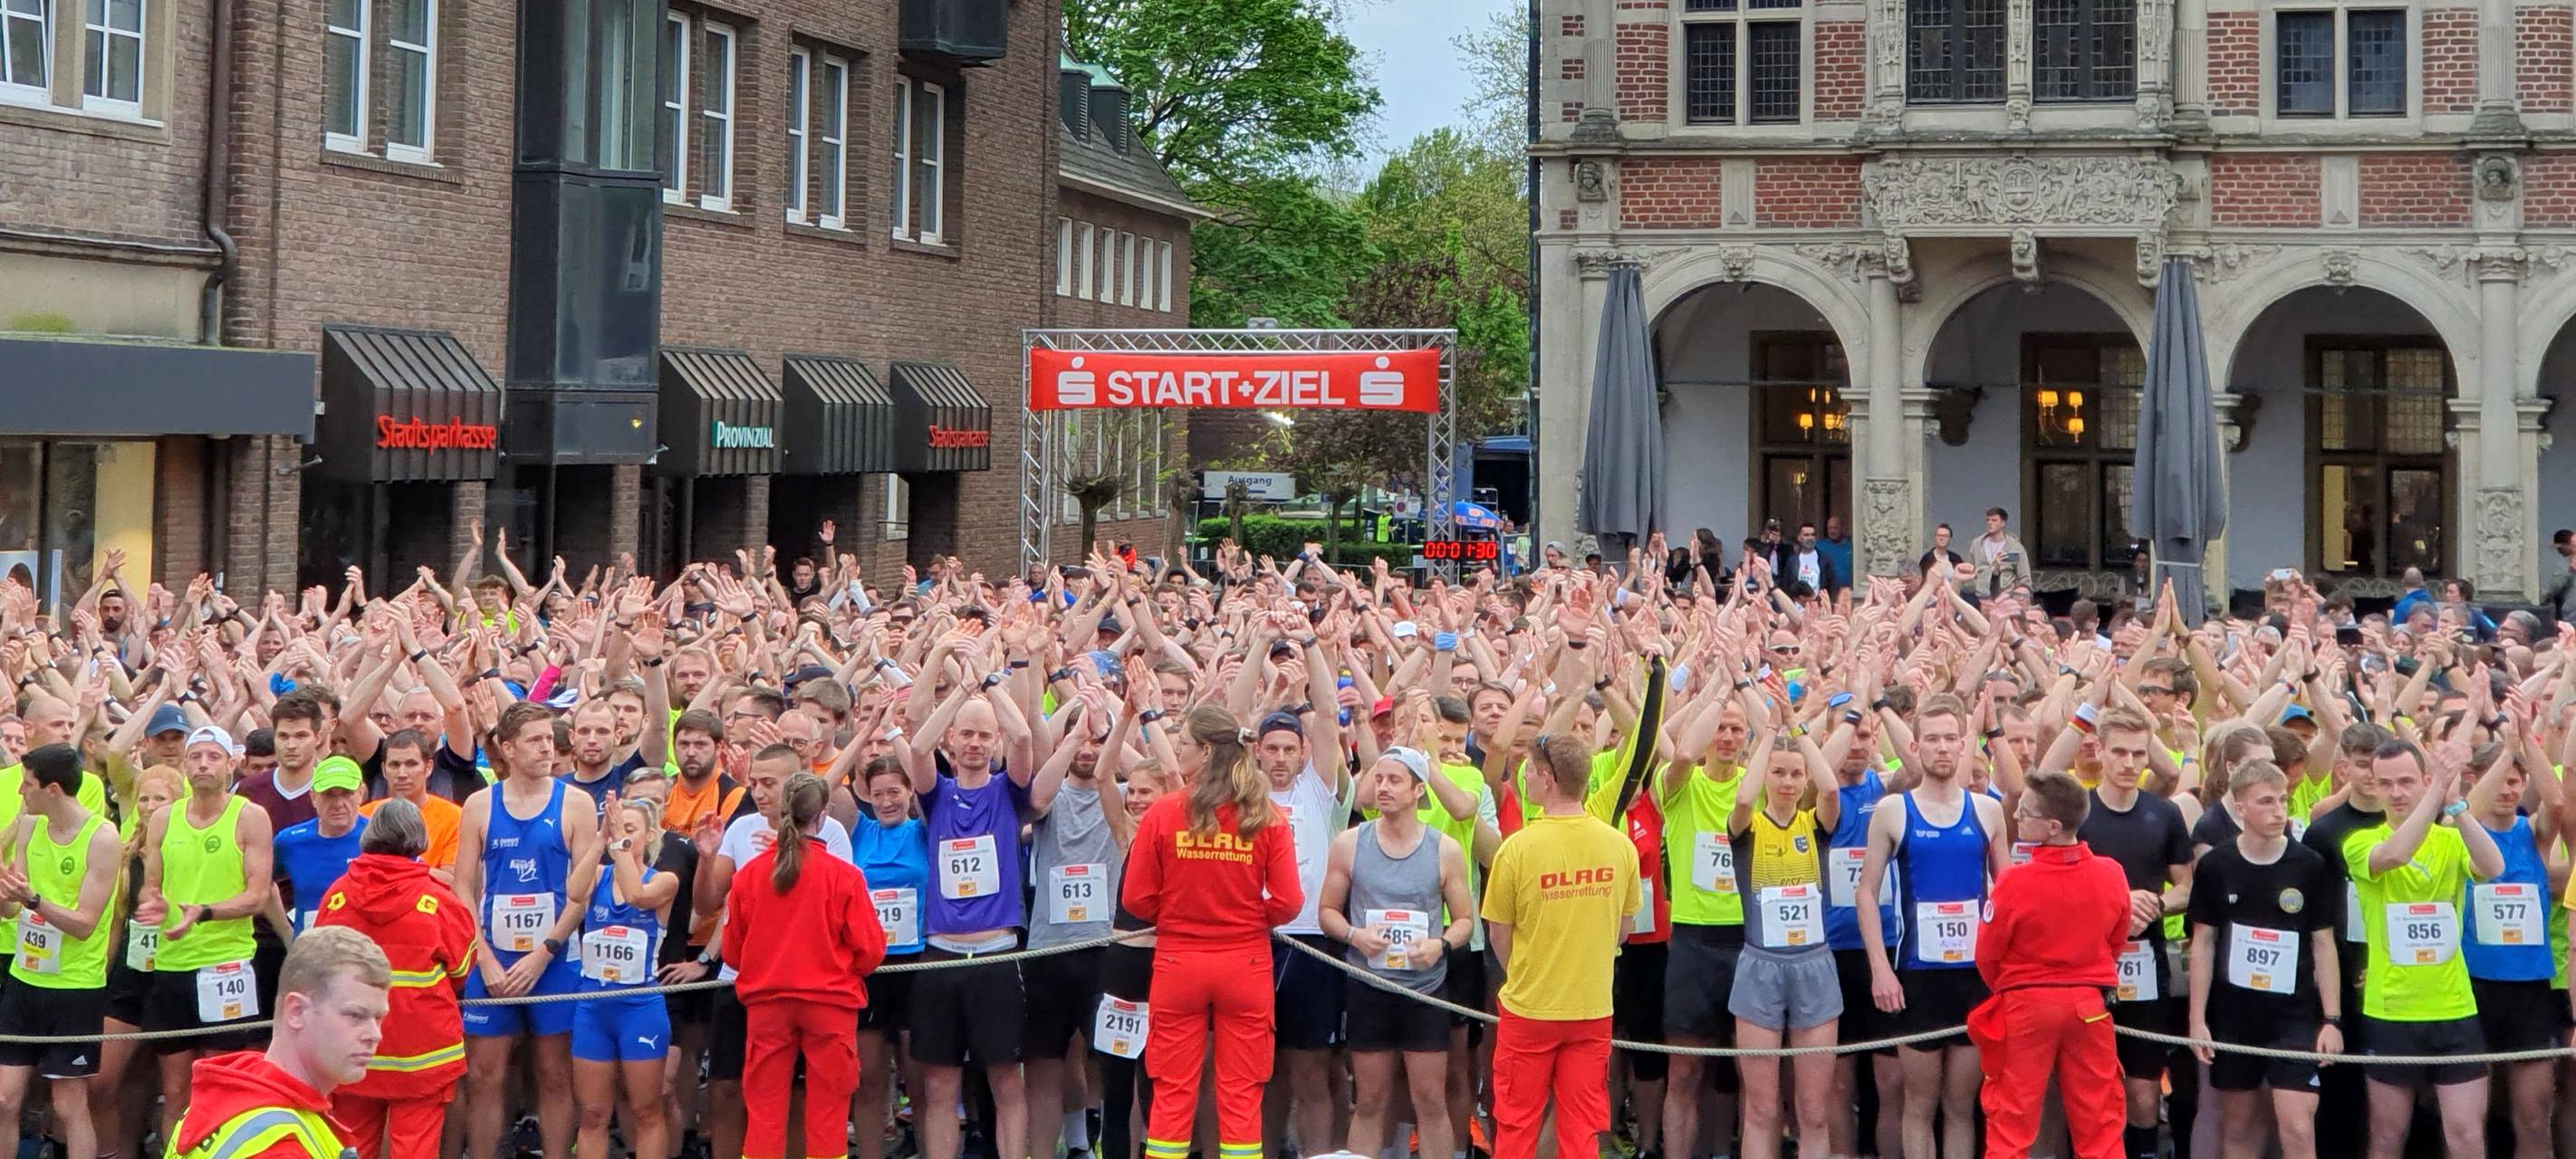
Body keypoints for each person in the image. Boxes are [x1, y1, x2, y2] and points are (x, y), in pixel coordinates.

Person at [1120, 706, 1302, 1159]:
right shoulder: (1265, 814)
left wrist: (1177, 913)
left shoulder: (1164, 812)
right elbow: (1288, 902)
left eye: (1182, 744)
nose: (1177, 751)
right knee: (1241, 1092)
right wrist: (1249, 916)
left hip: (1178, 961)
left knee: (1172, 1091)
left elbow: (1135, 898)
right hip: (1246, 963)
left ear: (1204, 751)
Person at [1856, 694, 2006, 1159]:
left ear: (1963, 745)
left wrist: (2007, 971)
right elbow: (1866, 893)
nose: (1942, 747)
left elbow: (2008, 895)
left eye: (1950, 739)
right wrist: (1881, 970)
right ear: (1915, 746)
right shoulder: (1893, 811)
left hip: (1973, 978)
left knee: (1961, 1105)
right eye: (1933, 739)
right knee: (1919, 1103)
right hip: (1916, 976)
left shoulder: (1987, 811)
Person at [1482, 731, 1638, 1159]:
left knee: (1517, 1123)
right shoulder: (1619, 846)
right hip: (1591, 1008)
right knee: (1581, 1128)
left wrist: (1525, 970)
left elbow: (1498, 931)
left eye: (1529, 772)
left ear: (1548, 778)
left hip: (1529, 1007)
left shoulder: (1517, 848)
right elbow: (1624, 930)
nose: (1525, 778)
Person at [2346, 735, 2503, 1159]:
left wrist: (2457, 806)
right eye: (2385, 784)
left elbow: (2493, 867)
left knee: (2466, 1135)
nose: (2396, 792)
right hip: (2392, 1010)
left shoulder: (2450, 840)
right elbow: (2395, 856)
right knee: (2388, 1135)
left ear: (2422, 780)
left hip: (2453, 1007)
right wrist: (2437, 792)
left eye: (2406, 781)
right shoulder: (2360, 842)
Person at [455, 701, 596, 1159]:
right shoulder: (480, 805)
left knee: (555, 1073)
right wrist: (484, 958)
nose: (547, 748)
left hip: (554, 959)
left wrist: (544, 954)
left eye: (549, 739)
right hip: (493, 957)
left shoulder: (576, 803)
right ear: (508, 748)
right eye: (535, 740)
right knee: (484, 1074)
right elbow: (462, 887)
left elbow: (582, 893)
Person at [1967, 769, 2132, 1159]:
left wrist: (2013, 987)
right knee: (2101, 1122)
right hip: (2090, 1005)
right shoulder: (2111, 874)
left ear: (2053, 827)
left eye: (2025, 812)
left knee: (2011, 1121)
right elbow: (2116, 940)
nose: (2017, 817)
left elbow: (1987, 955)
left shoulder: (2015, 882)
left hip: (2026, 1006)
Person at [1319, 747, 1473, 1159]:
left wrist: (1439, 945)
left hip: (1424, 990)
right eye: (1379, 779)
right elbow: (1327, 912)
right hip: (1369, 987)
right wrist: (1355, 935)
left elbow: (1464, 920)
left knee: (1430, 1100)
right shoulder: (1350, 844)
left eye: (1394, 780)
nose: (1383, 788)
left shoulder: (1444, 849)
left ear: (1418, 791)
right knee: (1369, 1100)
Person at [723, 771, 887, 1159]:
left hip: (767, 1005)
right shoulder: (845, 876)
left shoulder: (749, 875)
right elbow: (871, 950)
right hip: (830, 1004)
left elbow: (732, 953)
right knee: (829, 1109)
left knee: (763, 1111)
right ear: (823, 815)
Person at [2187, 761, 2341, 1159]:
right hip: (2234, 1015)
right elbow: (2203, 942)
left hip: (2294, 1015)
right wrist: (2197, 1020)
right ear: (2240, 808)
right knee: (2240, 1127)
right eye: (2267, 802)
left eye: (2283, 801)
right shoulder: (2216, 865)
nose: (2278, 811)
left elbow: (2323, 943)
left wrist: (2332, 1019)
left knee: (2298, 1125)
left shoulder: (2308, 864)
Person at [311, 799, 476, 1159]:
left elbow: (317, 965)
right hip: (422, 1052)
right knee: (415, 1149)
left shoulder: (337, 895)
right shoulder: (438, 899)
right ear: (418, 839)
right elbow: (462, 968)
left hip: (351, 1045)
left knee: (351, 1146)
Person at [138, 714, 277, 1135]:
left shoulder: (250, 816)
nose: (202, 764)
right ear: (184, 764)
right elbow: (152, 886)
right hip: (172, 964)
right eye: (195, 756)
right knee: (175, 1089)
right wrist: (152, 905)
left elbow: (257, 895)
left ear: (231, 764)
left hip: (226, 964)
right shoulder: (164, 819)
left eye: (213, 756)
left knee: (220, 1085)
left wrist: (205, 912)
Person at [159, 925, 390, 1159]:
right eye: (355, 1015)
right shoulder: (279, 1147)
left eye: (379, 1018)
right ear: (296, 1011)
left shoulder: (232, 1089)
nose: (375, 1034)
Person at [0, 742, 121, 1159]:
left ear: (53, 789)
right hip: (25, 978)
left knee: (68, 1104)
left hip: (75, 986)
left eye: (27, 784)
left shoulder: (102, 837)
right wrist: (6, 894)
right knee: (4, 1099)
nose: (21, 792)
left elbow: (85, 924)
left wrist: (32, 899)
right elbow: (12, 907)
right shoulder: (29, 827)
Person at [571, 793, 680, 1159]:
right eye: (618, 827)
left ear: (650, 835)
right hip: (594, 1006)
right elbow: (574, 892)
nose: (623, 834)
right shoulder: (599, 875)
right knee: (592, 1113)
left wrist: (618, 840)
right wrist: (600, 838)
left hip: (639, 1007)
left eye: (630, 829)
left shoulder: (664, 880)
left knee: (646, 1110)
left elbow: (635, 894)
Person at [272, 756, 369, 934]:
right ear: (314, 797)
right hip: (311, 946)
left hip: (363, 946)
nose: (338, 804)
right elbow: (261, 883)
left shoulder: (379, 838)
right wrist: (286, 932)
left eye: (346, 793)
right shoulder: (290, 841)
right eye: (329, 795)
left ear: (360, 794)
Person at [1970, 509, 2032, 599]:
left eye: (1994, 520)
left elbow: (2024, 578)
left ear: (2003, 523)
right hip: (1981, 598)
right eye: (1988, 520)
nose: (1990, 523)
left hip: (2007, 598)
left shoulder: (2015, 547)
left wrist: (2017, 596)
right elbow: (1971, 573)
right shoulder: (1976, 545)